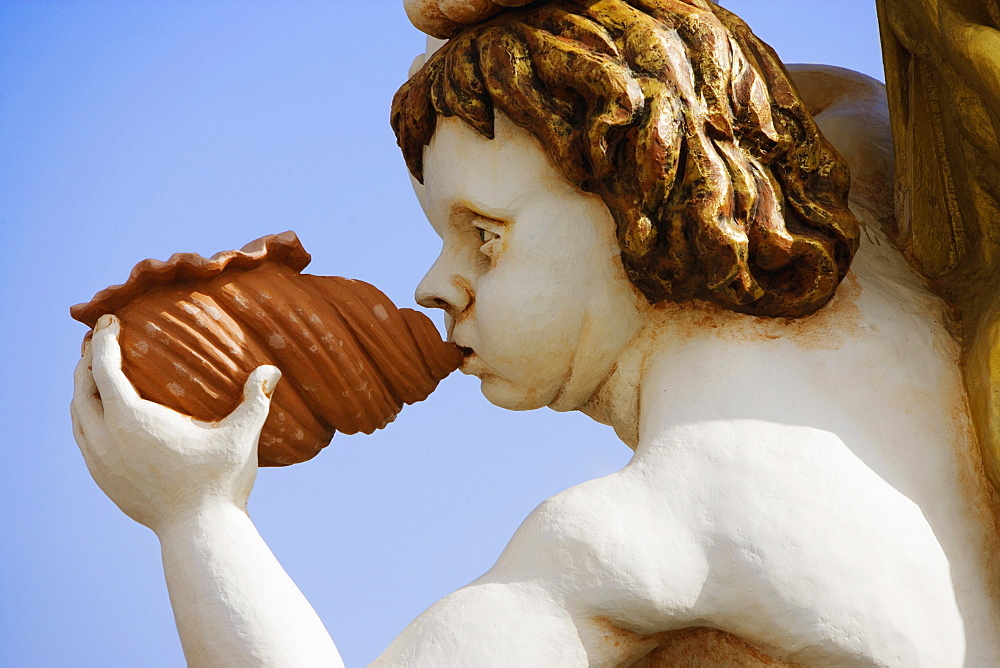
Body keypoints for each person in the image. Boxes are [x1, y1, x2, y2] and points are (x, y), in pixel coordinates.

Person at [72, 1, 1000, 665]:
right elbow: (716, 83)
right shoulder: (871, 181)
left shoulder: (635, 534)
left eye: (484, 235)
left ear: (630, 198)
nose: (438, 286)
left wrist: (195, 518)